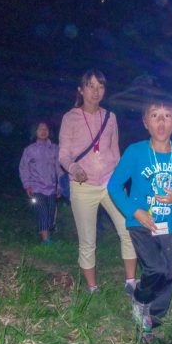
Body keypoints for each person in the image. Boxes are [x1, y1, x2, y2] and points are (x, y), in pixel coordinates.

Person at [108, 93, 172, 335]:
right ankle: (140, 298)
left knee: (168, 275)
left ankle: (153, 318)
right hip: (141, 222)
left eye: (167, 116)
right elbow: (114, 185)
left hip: (168, 224)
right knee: (156, 269)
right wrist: (135, 211)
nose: (161, 122)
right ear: (145, 122)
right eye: (155, 116)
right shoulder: (135, 152)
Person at [59, 69, 137, 293]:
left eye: (100, 86)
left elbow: (115, 151)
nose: (96, 91)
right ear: (81, 90)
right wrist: (74, 168)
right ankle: (92, 288)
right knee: (87, 240)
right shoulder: (70, 118)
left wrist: (121, 179)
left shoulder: (110, 118)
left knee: (128, 229)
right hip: (83, 186)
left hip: (111, 185)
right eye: (90, 86)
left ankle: (131, 282)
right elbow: (63, 154)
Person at [19, 121, 62, 244]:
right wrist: (27, 185)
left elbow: (59, 168)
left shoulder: (55, 149)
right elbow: (24, 168)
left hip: (51, 188)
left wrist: (60, 186)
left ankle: (47, 229)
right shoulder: (30, 150)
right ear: (35, 132)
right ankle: (46, 240)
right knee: (42, 211)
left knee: (51, 213)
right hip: (36, 187)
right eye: (40, 129)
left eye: (46, 129)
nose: (43, 131)